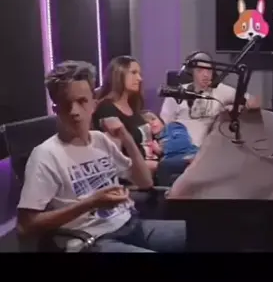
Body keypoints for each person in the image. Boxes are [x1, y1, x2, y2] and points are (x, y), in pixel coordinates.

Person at [16, 60, 186, 253]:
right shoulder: (45, 155)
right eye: (66, 104)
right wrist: (91, 203)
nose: (74, 112)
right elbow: (25, 226)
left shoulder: (100, 140)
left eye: (82, 101)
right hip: (94, 240)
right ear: (56, 110)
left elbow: (145, 182)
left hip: (132, 224)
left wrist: (126, 137)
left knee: (204, 233)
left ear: (94, 105)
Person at [160, 51, 260, 148]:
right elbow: (164, 124)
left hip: (205, 150)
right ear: (191, 73)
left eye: (209, 70)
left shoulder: (221, 91)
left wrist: (238, 107)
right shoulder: (177, 93)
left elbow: (255, 101)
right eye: (200, 70)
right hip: (179, 148)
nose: (205, 75)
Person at [92, 56, 156, 172]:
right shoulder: (106, 109)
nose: (139, 78)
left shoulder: (133, 106)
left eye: (139, 74)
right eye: (133, 73)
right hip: (135, 172)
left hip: (153, 164)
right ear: (119, 74)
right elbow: (116, 157)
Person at [143, 111, 198, 177]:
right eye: (147, 122)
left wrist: (162, 148)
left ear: (160, 120)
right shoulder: (152, 140)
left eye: (153, 119)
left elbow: (184, 142)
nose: (151, 123)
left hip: (188, 156)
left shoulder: (172, 127)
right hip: (171, 167)